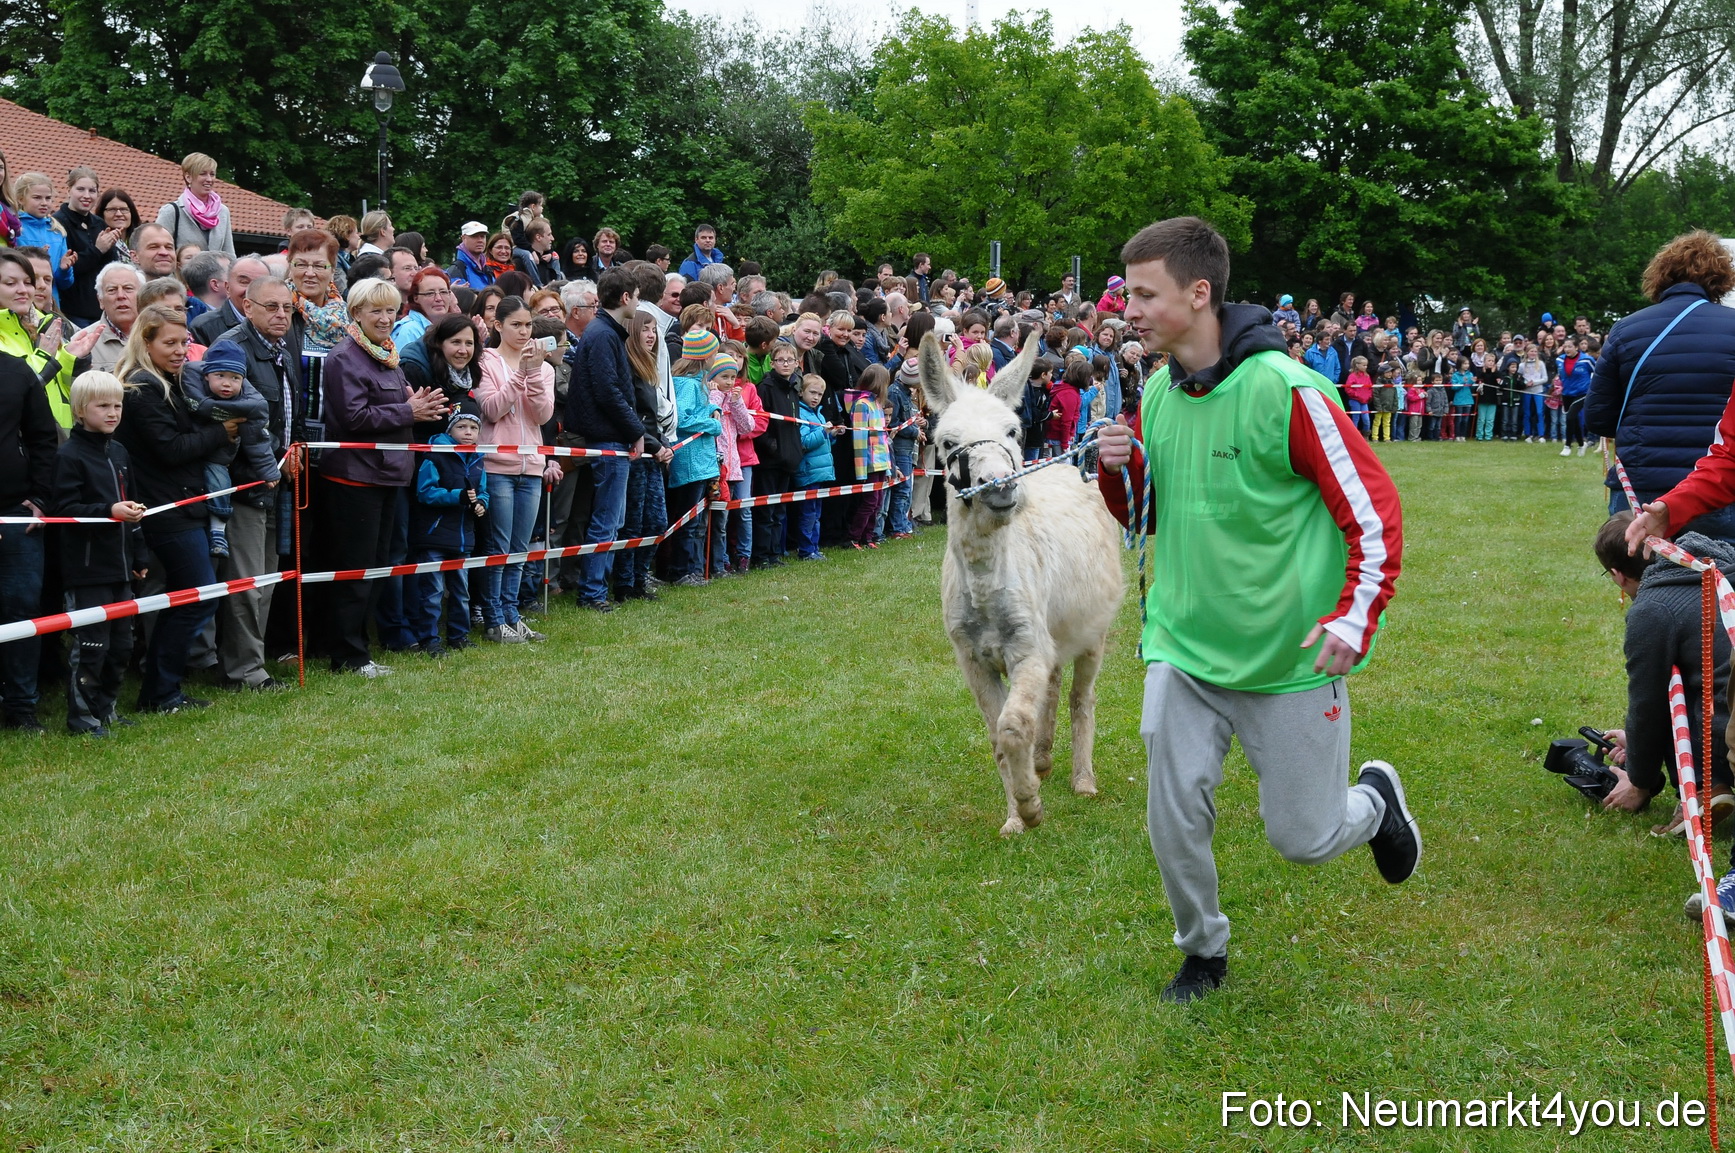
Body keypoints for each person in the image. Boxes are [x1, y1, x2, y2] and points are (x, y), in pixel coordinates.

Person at [1094, 216, 1413, 1004]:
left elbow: (1372, 513)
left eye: (1143, 293)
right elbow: (1149, 515)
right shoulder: (1160, 390)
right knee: (1171, 815)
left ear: (1198, 294)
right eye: (1125, 293)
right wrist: (1120, 470)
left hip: (1287, 660)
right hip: (1182, 645)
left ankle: (1373, 801)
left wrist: (1350, 618)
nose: (1125, 309)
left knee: (1302, 839)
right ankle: (1202, 949)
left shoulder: (1289, 390)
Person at [316, 278, 449, 675]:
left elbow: (400, 405)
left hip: (390, 475)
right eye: (375, 310)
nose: (385, 318)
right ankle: (348, 655)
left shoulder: (387, 355)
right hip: (355, 480)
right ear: (355, 313)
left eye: (391, 310)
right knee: (356, 571)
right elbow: (352, 418)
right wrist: (410, 412)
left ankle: (356, 648)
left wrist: (418, 406)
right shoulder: (344, 357)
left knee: (377, 568)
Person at [114, 303, 239, 712]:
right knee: (198, 595)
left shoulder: (172, 381)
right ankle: (160, 690)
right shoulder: (141, 388)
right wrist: (221, 432)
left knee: (188, 597)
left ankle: (161, 687)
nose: (180, 349)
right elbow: (169, 450)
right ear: (145, 342)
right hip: (164, 508)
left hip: (182, 503)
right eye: (169, 342)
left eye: (184, 341)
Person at [1593, 515, 1735, 847]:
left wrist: (1639, 780)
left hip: (1730, 729)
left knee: (1676, 692)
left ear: (1617, 575)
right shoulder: (1722, 565)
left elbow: (1648, 706)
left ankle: (1705, 788)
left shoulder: (1652, 609)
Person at [1587, 232, 1735, 528]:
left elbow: (1598, 418)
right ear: (1721, 278)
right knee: (1719, 572)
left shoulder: (1625, 329)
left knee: (1640, 573)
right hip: (1716, 486)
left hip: (1641, 485)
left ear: (1660, 275)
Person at [49, 370, 148, 734]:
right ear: (79, 410)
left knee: (122, 644)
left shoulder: (120, 452)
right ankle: (82, 717)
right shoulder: (69, 455)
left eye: (118, 405)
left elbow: (134, 508)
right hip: (88, 569)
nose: (112, 413)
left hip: (121, 567)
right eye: (103, 406)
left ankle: (107, 709)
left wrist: (139, 556)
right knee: (92, 645)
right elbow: (64, 509)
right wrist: (108, 511)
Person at [475, 295, 554, 643]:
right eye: (516, 325)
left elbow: (542, 416)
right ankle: (493, 618)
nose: (524, 332)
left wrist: (534, 372)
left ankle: (511, 613)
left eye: (528, 325)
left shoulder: (545, 367)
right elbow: (492, 409)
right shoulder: (485, 363)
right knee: (498, 547)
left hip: (532, 465)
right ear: (498, 326)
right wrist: (519, 374)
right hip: (497, 465)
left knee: (520, 548)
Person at [564, 267, 644, 610]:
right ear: (625, 298)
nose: (638, 303)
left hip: (612, 436)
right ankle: (592, 592)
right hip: (607, 438)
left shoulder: (604, 332)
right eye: (637, 296)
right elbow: (608, 391)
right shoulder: (602, 335)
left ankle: (598, 587)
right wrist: (635, 430)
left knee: (614, 519)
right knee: (606, 520)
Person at [0, 336, 59, 733]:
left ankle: (22, 707)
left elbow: (43, 439)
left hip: (16, 513)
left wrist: (40, 496)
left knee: (20, 612)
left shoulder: (15, 370)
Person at [180, 337, 274, 559]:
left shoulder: (249, 404)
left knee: (219, 483)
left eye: (234, 378)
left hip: (219, 457)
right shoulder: (188, 385)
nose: (226, 384)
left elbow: (258, 440)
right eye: (220, 376)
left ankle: (218, 531)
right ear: (206, 376)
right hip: (187, 454)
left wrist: (268, 472)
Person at [409, 410, 488, 656]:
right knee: (432, 593)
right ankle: (428, 640)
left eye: (473, 428)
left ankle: (458, 636)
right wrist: (458, 497)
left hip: (463, 538)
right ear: (449, 431)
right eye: (462, 427)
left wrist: (482, 504)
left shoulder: (478, 459)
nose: (468, 432)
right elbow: (425, 492)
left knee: (461, 592)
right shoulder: (435, 456)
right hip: (434, 537)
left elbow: (483, 490)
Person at [617, 310, 671, 600]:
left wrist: (663, 444)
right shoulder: (625, 366)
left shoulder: (647, 367)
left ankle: (639, 577)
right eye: (644, 330)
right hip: (635, 454)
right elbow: (629, 414)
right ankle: (626, 583)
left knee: (656, 522)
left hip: (652, 453)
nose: (651, 335)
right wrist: (654, 444)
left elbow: (652, 417)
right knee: (632, 523)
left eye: (654, 330)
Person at [666, 330, 723, 585]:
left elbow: (698, 409)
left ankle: (686, 569)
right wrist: (713, 426)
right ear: (705, 355)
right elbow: (685, 419)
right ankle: (679, 571)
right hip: (690, 461)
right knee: (686, 519)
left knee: (693, 518)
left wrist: (714, 408)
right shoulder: (688, 384)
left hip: (699, 460)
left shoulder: (695, 382)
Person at [706, 353, 753, 577]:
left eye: (733, 377)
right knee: (717, 522)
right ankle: (717, 563)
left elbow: (747, 427)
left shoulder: (733, 399)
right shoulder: (711, 397)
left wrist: (737, 402)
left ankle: (725, 560)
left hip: (733, 469)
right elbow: (710, 418)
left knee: (726, 520)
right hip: (715, 469)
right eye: (724, 376)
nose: (729, 382)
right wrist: (715, 393)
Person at [55, 168, 115, 327]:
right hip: (73, 310)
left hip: (101, 309)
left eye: (92, 191)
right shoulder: (58, 223)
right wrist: (97, 250)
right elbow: (68, 267)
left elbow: (110, 265)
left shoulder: (99, 223)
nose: (87, 196)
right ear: (68, 190)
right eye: (80, 189)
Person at [791, 373, 837, 560]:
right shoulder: (801, 414)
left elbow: (823, 444)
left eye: (820, 394)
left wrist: (831, 435)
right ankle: (806, 550)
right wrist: (822, 431)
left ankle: (814, 547)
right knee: (808, 514)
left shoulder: (818, 413)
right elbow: (804, 442)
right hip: (808, 472)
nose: (816, 398)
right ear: (801, 392)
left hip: (820, 472)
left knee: (816, 514)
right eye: (812, 393)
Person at [155, 153, 234, 257]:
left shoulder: (222, 211)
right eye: (203, 174)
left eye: (212, 174)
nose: (209, 179)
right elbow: (158, 250)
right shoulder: (171, 211)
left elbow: (229, 253)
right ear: (188, 177)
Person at [446, 221, 494, 289]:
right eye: (474, 236)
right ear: (463, 238)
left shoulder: (488, 270)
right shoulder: (456, 271)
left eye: (482, 236)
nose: (480, 240)